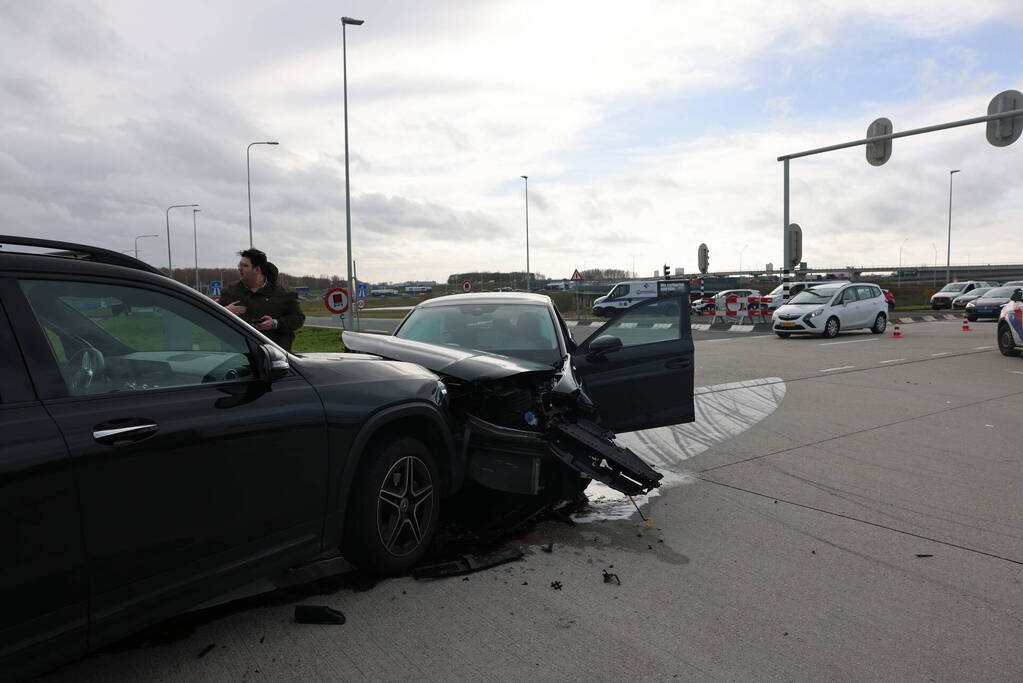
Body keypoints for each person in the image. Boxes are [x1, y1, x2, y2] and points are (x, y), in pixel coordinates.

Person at [218, 248, 305, 351]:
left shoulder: (283, 293)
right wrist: (225, 310)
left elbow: (298, 318)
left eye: (245, 266)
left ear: (257, 269)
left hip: (274, 355)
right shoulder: (230, 291)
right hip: (238, 354)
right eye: (239, 265)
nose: (239, 269)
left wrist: (275, 324)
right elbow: (213, 317)